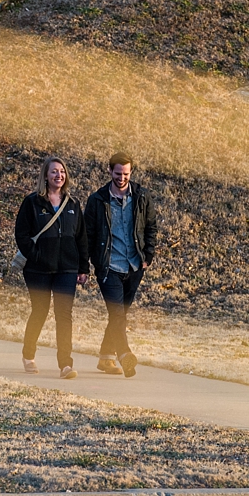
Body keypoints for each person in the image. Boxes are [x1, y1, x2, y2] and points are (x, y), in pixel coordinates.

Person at [15, 156, 89, 379]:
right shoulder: (32, 202)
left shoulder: (73, 204)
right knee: (40, 311)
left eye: (62, 172)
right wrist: (36, 256)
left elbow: (81, 238)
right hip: (38, 269)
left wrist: (83, 267)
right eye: (54, 172)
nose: (59, 175)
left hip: (66, 268)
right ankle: (28, 355)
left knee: (64, 315)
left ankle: (66, 364)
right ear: (45, 176)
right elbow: (22, 234)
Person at [84, 153, 157, 378]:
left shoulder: (142, 197)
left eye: (126, 174)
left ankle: (106, 357)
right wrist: (87, 265)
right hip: (109, 267)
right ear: (109, 171)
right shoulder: (97, 200)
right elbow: (88, 234)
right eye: (118, 174)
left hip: (134, 266)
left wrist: (147, 256)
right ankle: (125, 354)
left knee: (119, 314)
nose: (122, 178)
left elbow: (151, 228)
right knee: (117, 314)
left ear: (131, 173)